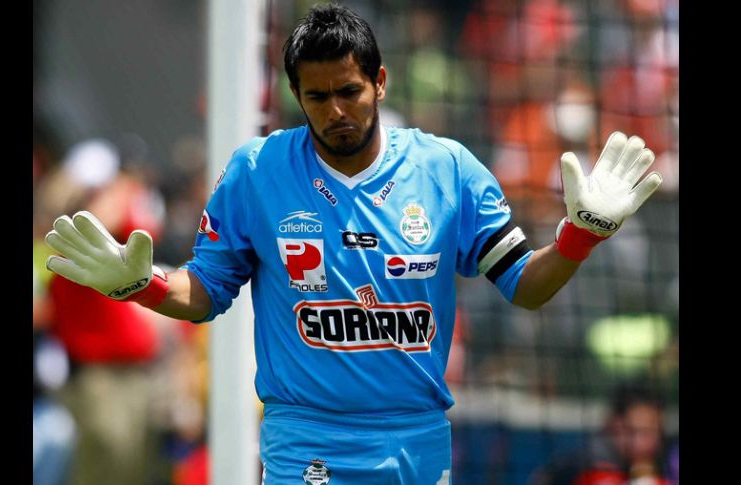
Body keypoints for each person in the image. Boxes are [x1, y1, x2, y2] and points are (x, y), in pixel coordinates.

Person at [43, 4, 662, 484]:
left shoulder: (447, 171)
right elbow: (204, 294)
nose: (336, 110)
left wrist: (582, 236)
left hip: (414, 440)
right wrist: (138, 284)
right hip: (305, 441)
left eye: (349, 91)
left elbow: (526, 287)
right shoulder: (257, 173)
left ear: (380, 82)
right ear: (297, 96)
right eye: (317, 97)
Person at [533, 382, 672, 485]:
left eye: (656, 431)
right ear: (614, 426)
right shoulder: (587, 464)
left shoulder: (660, 462)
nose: (651, 441)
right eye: (641, 432)